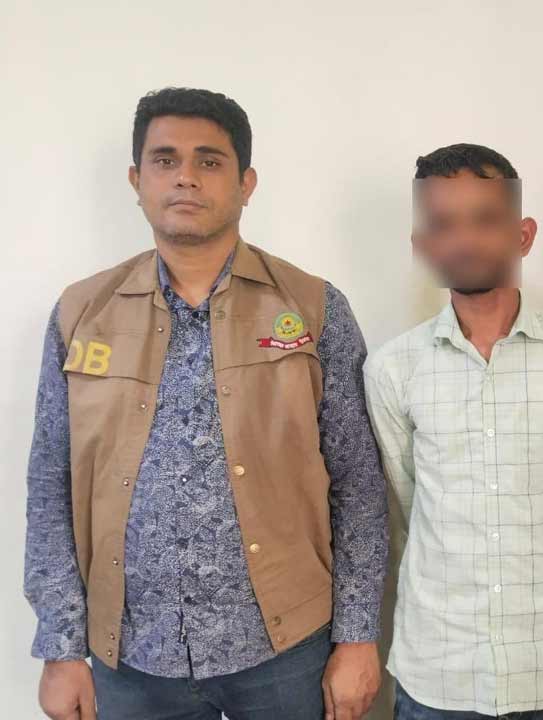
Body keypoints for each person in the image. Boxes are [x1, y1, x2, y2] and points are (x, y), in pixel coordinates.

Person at [24, 87, 389, 720]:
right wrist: (60, 647)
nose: (186, 177)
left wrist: (357, 637)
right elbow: (50, 484)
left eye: (209, 161)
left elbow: (357, 482)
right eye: (165, 160)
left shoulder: (312, 307)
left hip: (287, 650)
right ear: (137, 181)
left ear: (246, 184)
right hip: (132, 656)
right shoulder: (82, 313)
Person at [364, 144, 543, 719]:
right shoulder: (393, 368)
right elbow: (411, 501)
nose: (465, 240)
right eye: (444, 224)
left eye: (485, 219)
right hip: (437, 671)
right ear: (423, 245)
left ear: (523, 234)